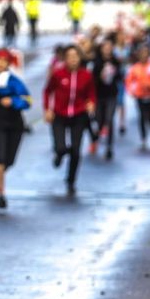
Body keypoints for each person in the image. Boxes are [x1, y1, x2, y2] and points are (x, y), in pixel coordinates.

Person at [0, 49, 31, 210]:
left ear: (9, 63)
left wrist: (13, 101)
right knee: (0, 158)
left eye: (4, 61)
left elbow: (27, 101)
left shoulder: (15, 81)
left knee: (9, 160)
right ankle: (0, 193)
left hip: (15, 124)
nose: (0, 64)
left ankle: (1, 173)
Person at [44, 45, 96, 195]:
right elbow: (48, 91)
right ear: (65, 59)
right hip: (59, 114)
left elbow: (91, 93)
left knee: (75, 151)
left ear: (80, 58)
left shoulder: (86, 75)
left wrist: (91, 103)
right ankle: (59, 155)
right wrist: (48, 109)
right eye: (70, 56)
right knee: (60, 147)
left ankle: (71, 180)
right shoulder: (58, 74)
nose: (73, 59)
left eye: (76, 56)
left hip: (79, 115)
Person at [125, 44, 150, 150]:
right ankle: (143, 137)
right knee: (141, 116)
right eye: (142, 53)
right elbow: (129, 81)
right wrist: (132, 91)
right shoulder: (135, 68)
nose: (144, 56)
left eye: (146, 53)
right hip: (139, 96)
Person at [91, 38, 124, 160]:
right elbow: (92, 79)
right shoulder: (97, 62)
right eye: (105, 47)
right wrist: (100, 76)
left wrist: (115, 73)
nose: (108, 49)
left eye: (110, 47)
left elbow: (120, 77)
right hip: (99, 95)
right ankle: (96, 136)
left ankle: (109, 147)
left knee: (109, 120)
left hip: (111, 95)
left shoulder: (116, 61)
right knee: (99, 120)